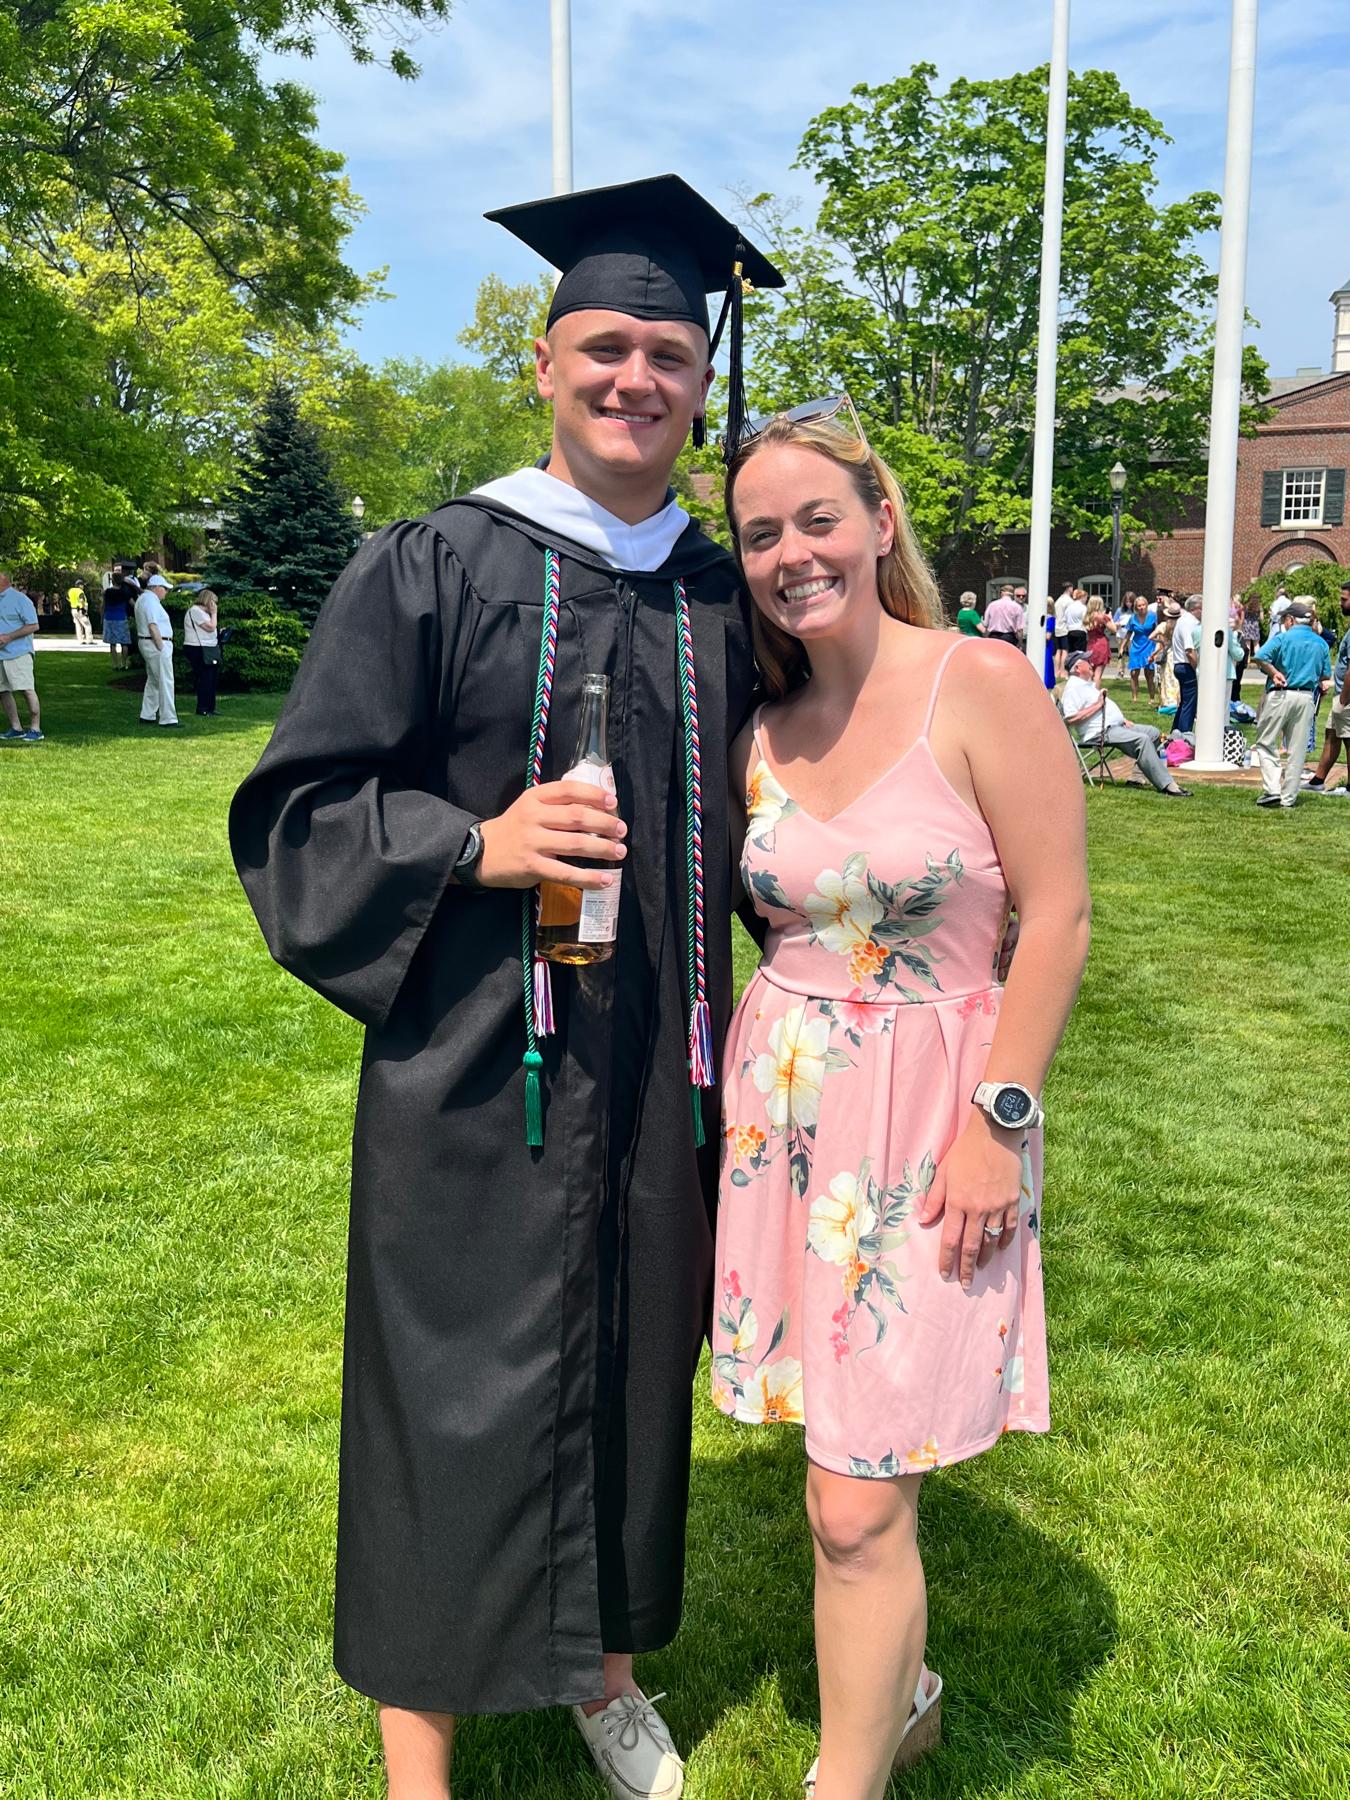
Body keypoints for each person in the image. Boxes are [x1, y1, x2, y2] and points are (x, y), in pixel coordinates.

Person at [228, 175, 785, 1800]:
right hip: (479, 1071)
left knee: (632, 1375)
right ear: (544, 365)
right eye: (604, 346)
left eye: (669, 353)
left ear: (699, 379)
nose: (636, 379)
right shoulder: (433, 565)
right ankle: (422, 1765)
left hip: (660, 1067)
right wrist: (479, 843)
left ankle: (607, 1673)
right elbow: (298, 809)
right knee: (445, 1401)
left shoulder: (709, 593)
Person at [712, 412, 1090, 1800]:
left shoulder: (978, 684)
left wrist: (999, 1120)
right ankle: (905, 1699)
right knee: (842, 1462)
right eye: (760, 533)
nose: (791, 552)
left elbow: (1053, 920)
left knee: (854, 1496)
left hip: (936, 1119)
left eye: (817, 517)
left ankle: (843, 1780)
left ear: (878, 520)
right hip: (791, 1125)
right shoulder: (757, 724)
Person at [1060, 653, 1191, 795]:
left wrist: (1121, 720)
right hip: (1100, 733)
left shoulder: (1085, 684)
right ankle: (1168, 785)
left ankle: (1137, 777)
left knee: (1153, 733)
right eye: (1087, 661)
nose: (1092, 664)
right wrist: (1098, 705)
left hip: (1116, 727)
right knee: (1143, 740)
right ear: (1078, 667)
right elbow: (1070, 718)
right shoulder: (1073, 687)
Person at [1250, 600, 1332, 808]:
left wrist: (1274, 672)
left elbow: (1260, 656)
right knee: (1297, 748)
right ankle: (1289, 798)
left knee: (1266, 741)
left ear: (1290, 620)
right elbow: (1324, 674)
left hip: (1280, 694)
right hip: (1306, 697)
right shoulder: (1320, 643)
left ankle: (1272, 789)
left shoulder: (1283, 638)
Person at [1305, 584, 1350, 793]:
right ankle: (1318, 780)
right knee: (1332, 734)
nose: (1340, 603)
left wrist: (1343, 701)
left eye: (1344, 599)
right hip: (1341, 694)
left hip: (1347, 698)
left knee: (1348, 740)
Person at [0, 569, 43, 742]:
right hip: (1, 655)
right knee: (2, 691)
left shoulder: (20, 600)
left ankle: (35, 728)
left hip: (19, 653)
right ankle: (16, 727)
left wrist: (9, 637)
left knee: (26, 689)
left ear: (4, 581)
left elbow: (33, 625)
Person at [134, 574, 179, 727]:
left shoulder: (144, 599)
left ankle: (147, 714)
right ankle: (168, 718)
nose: (166, 592)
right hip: (156, 644)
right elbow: (153, 625)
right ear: (157, 588)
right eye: (165, 589)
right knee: (165, 681)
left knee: (154, 680)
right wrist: (161, 647)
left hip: (149, 643)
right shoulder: (150, 601)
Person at [182, 588, 220, 716]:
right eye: (213, 603)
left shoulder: (204, 613)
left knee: (211, 678)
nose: (214, 606)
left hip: (208, 647)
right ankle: (202, 707)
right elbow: (210, 627)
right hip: (197, 648)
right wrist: (214, 614)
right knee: (204, 678)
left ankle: (210, 707)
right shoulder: (195, 611)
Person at [1170, 594, 1202, 734]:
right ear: (1197, 608)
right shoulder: (1189, 623)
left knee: (1184, 703)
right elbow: (1189, 650)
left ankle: (1175, 732)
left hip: (1180, 665)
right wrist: (1198, 668)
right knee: (1190, 704)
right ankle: (1184, 736)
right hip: (1186, 665)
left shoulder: (1183, 621)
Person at [1122, 593, 1159, 702]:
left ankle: (1152, 698)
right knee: (1134, 673)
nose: (1141, 607)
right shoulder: (1133, 618)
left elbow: (1159, 631)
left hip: (1149, 645)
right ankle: (1134, 697)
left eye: (1143, 605)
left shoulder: (1153, 616)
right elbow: (1128, 633)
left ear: (1147, 605)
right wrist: (1122, 647)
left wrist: (1159, 644)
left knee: (1149, 673)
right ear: (1136, 607)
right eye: (1139, 606)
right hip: (1136, 646)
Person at [101, 575, 135, 670]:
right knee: (124, 643)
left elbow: (103, 605)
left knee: (112, 643)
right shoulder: (125, 592)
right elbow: (133, 604)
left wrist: (102, 616)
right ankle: (124, 664)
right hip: (121, 617)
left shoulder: (107, 592)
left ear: (112, 580)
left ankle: (115, 664)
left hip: (109, 617)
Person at [1083, 601, 1115, 687]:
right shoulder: (1102, 617)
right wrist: (1110, 618)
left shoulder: (1087, 617)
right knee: (1098, 674)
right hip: (1101, 644)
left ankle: (1089, 694)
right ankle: (1096, 695)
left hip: (1090, 644)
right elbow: (1114, 630)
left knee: (1091, 673)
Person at [1052, 581, 1074, 676]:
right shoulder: (1069, 601)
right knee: (1065, 650)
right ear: (1069, 588)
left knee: (1058, 651)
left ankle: (1056, 671)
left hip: (1057, 627)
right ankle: (1063, 671)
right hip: (1065, 628)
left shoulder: (1058, 600)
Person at [67, 579, 94, 646]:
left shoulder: (71, 591)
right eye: (82, 585)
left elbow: (67, 598)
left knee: (78, 625)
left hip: (73, 610)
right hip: (80, 609)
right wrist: (83, 608)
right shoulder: (80, 591)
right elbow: (81, 600)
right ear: (80, 585)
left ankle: (80, 640)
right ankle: (89, 640)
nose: (83, 587)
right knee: (87, 625)